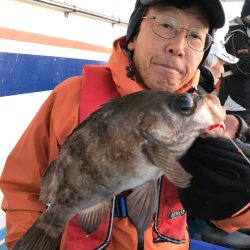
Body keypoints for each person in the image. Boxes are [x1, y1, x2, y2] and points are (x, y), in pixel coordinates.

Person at [1, 0, 250, 250]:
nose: (177, 47)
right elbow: (21, 188)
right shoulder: (69, 97)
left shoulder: (202, 118)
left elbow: (231, 221)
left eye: (195, 36)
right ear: (133, 37)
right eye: (165, 25)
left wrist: (239, 202)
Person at [219, 0, 250, 125]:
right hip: (237, 103)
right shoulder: (237, 35)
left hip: (245, 100)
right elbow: (241, 66)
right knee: (238, 138)